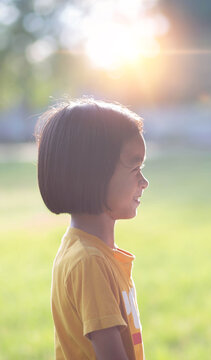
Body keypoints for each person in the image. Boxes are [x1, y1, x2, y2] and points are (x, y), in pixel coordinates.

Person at [36, 98, 149, 360]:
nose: (144, 182)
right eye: (135, 168)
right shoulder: (90, 262)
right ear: (93, 174)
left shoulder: (93, 252)